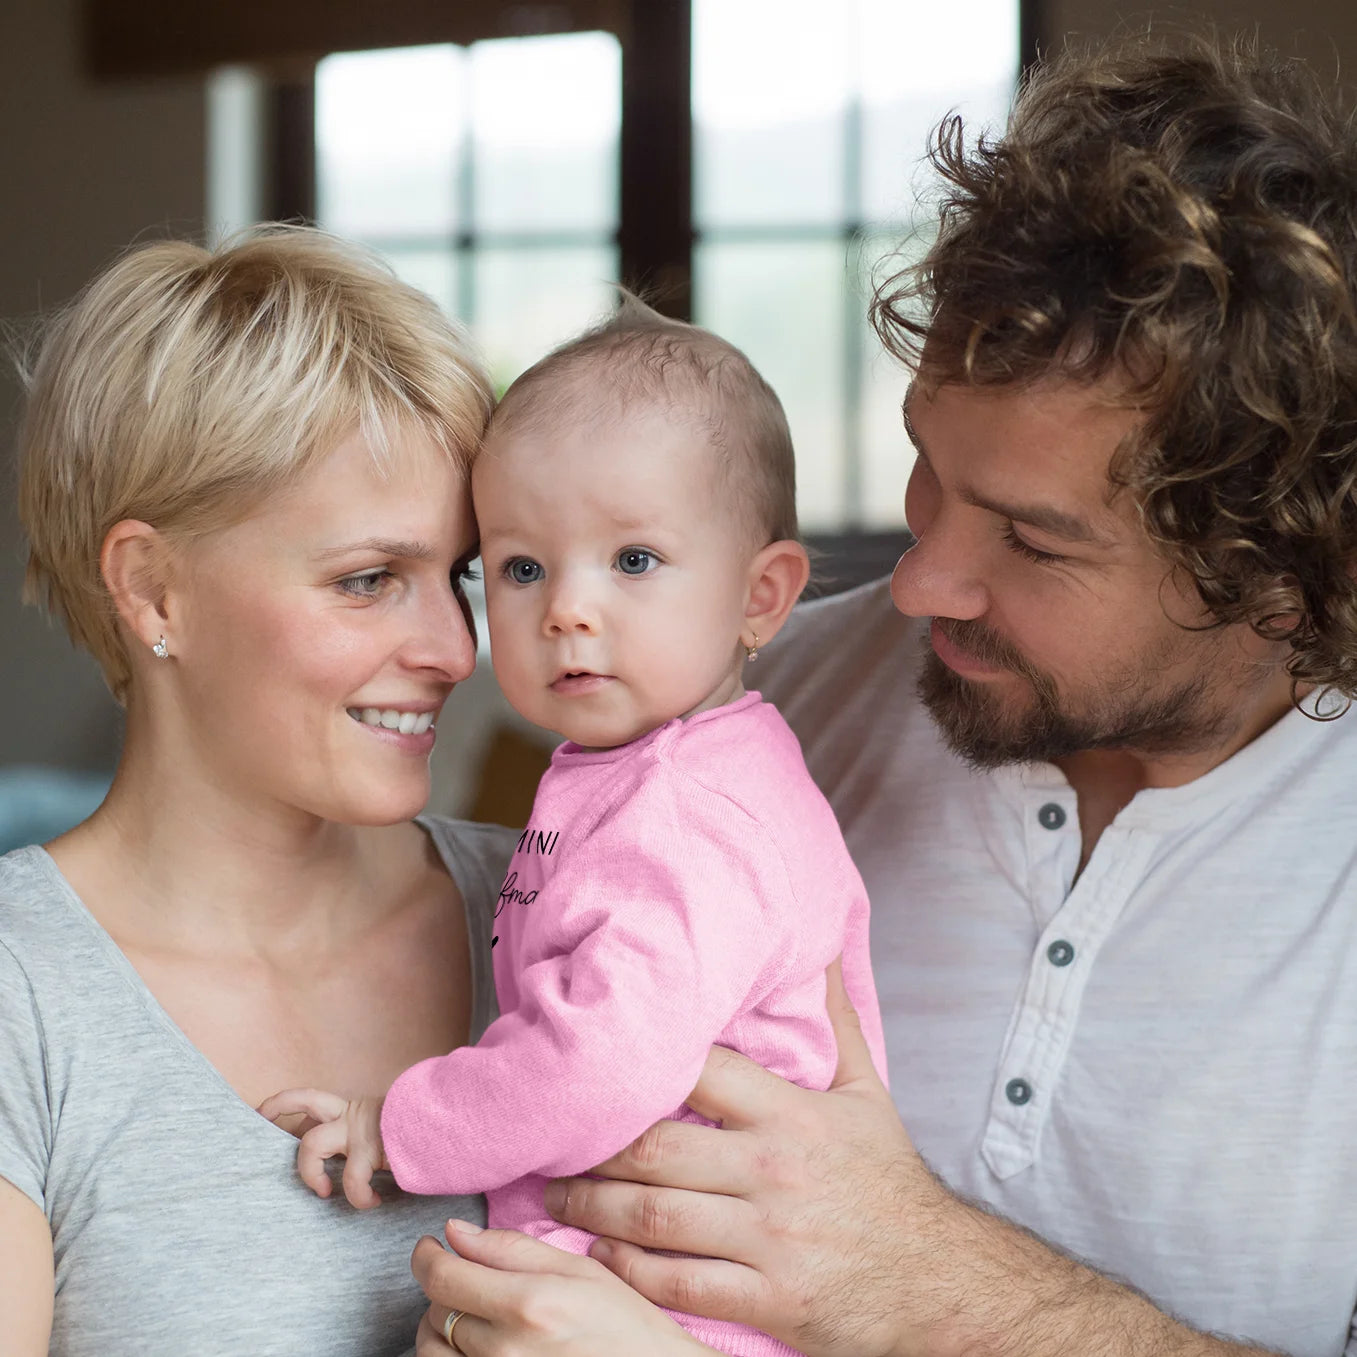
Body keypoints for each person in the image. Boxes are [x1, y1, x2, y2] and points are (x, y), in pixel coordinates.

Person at [413, 33, 1357, 1357]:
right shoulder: (745, 708)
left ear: (1278, 589)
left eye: (1031, 542)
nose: (919, 583)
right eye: (928, 471)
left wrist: (942, 1290)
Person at [263, 302, 889, 1357]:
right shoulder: (642, 772)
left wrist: (397, 1125)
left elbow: (600, 1065)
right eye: (519, 567)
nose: (566, 609)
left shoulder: (691, 811)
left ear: (761, 594)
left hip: (685, 1304)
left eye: (633, 559)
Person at [0, 225, 514, 1356]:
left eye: (457, 575)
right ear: (151, 590)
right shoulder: (21, 999)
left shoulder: (560, 906)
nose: (452, 646)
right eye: (370, 579)